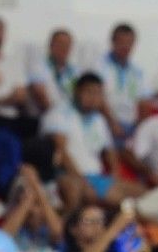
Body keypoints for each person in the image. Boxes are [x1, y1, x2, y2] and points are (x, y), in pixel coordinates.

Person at [41, 72, 144, 211]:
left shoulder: (98, 119)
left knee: (143, 193)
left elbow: (109, 152)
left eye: (98, 93)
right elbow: (61, 152)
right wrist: (81, 180)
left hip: (96, 177)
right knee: (117, 200)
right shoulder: (59, 114)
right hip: (70, 176)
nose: (93, 98)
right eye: (89, 92)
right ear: (77, 91)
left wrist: (115, 175)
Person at [95, 23, 153, 139]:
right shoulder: (99, 67)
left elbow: (144, 102)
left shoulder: (138, 72)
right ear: (112, 42)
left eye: (129, 42)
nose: (125, 46)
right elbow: (97, 98)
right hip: (104, 124)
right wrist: (111, 123)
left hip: (131, 127)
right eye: (121, 42)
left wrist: (138, 130)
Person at [27, 28, 77, 113]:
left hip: (70, 116)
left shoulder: (74, 71)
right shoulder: (38, 66)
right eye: (60, 44)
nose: (64, 48)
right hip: (46, 115)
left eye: (67, 45)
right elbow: (39, 94)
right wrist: (55, 115)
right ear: (50, 45)